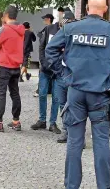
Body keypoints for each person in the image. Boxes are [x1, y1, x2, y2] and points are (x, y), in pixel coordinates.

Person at [46, 0, 110, 189]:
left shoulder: (71, 28)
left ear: (87, 8)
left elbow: (50, 51)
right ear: (104, 9)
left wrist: (64, 75)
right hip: (101, 93)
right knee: (101, 141)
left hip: (76, 91)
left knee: (74, 141)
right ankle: (104, 186)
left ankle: (71, 185)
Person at [0, 5, 24, 132]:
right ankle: (16, 121)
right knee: (15, 93)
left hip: (3, 66)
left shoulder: (5, 29)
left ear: (6, 15)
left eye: (3, 15)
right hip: (15, 66)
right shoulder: (21, 29)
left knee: (0, 94)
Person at [30, 13, 61, 134]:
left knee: (56, 97)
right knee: (42, 94)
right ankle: (42, 120)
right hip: (46, 68)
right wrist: (43, 63)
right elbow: (41, 47)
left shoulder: (70, 32)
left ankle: (52, 123)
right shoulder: (49, 29)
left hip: (59, 71)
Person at [54, 10, 76, 143]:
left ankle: (75, 133)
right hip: (62, 73)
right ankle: (65, 130)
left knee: (74, 105)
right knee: (62, 104)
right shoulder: (61, 33)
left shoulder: (78, 34)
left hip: (73, 74)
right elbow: (52, 50)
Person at [33, 13, 54, 97]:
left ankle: (40, 90)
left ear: (48, 19)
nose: (43, 20)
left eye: (44, 19)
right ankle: (48, 89)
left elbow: (43, 43)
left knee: (42, 73)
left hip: (45, 55)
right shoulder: (51, 29)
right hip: (47, 55)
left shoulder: (48, 29)